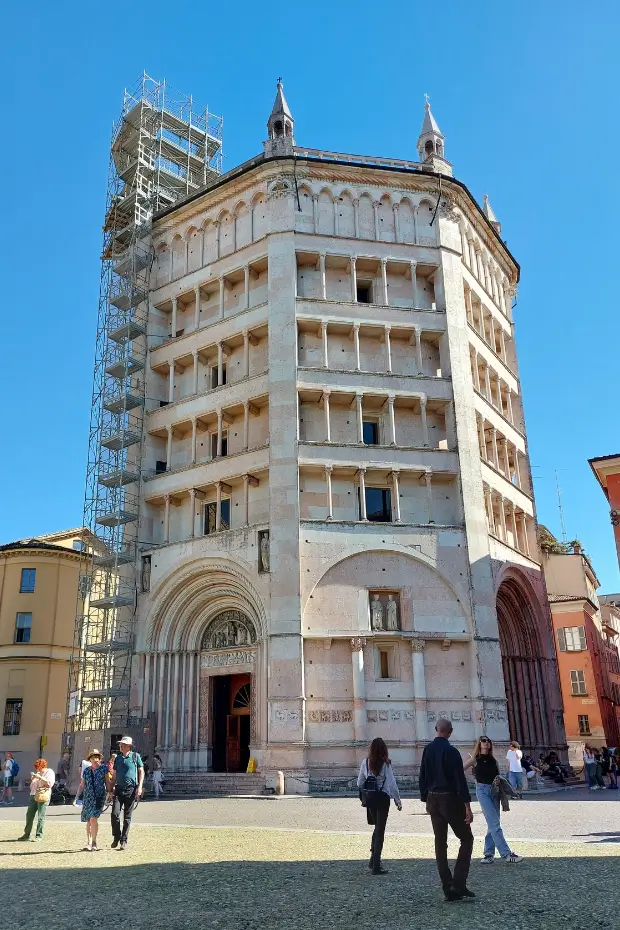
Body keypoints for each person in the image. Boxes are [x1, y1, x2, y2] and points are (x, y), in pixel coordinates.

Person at [419, 718, 475, 902]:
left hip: (432, 798)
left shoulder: (427, 750)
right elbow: (459, 779)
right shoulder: (451, 752)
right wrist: (467, 805)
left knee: (440, 842)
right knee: (466, 838)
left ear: (436, 730)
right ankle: (458, 884)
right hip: (449, 798)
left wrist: (425, 797)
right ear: (450, 732)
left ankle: (447, 886)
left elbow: (423, 775)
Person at [464, 737, 524, 864]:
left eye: (488, 741)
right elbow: (461, 770)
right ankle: (507, 854)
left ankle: (488, 854)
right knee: (495, 823)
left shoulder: (493, 760)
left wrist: (497, 780)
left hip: (494, 791)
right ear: (479, 744)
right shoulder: (475, 759)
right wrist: (474, 780)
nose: (486, 743)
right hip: (482, 791)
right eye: (483, 741)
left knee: (493, 823)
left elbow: (497, 774)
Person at [357, 738, 402, 874]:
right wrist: (397, 800)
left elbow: (359, 783)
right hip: (382, 799)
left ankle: (372, 860)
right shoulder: (385, 764)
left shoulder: (365, 763)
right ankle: (376, 865)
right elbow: (392, 784)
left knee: (377, 828)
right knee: (380, 831)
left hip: (370, 799)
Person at [109, 736, 144, 850]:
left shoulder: (135, 756)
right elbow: (114, 775)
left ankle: (124, 840)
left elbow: (141, 771)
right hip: (118, 789)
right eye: (120, 744)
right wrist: (110, 789)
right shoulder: (118, 758)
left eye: (123, 744)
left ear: (129, 746)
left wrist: (140, 787)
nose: (120, 746)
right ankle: (116, 836)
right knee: (114, 814)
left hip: (131, 789)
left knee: (127, 817)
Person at [74, 749, 108, 851]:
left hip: (99, 797)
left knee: (93, 818)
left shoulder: (104, 768)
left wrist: (110, 793)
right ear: (90, 759)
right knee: (88, 820)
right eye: (93, 757)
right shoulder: (87, 771)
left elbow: (107, 781)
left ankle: (94, 842)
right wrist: (76, 797)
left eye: (97, 757)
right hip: (88, 797)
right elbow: (82, 784)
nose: (96, 759)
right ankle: (88, 842)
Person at [18, 758, 55, 842]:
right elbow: (32, 786)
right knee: (29, 815)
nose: (38, 769)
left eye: (39, 767)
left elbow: (50, 783)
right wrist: (33, 779)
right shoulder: (38, 773)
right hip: (33, 795)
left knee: (41, 816)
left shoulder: (49, 772)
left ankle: (39, 835)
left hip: (43, 795)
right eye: (37, 767)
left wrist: (40, 777)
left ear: (43, 766)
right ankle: (26, 834)